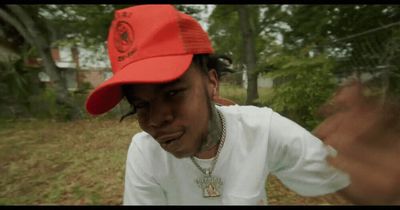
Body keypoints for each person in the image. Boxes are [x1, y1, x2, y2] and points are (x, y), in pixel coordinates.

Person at [85, 4, 400, 205]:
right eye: (141, 105)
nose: (156, 119)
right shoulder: (146, 151)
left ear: (211, 82)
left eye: (173, 93)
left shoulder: (260, 129)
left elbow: (345, 175)